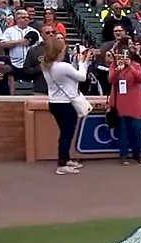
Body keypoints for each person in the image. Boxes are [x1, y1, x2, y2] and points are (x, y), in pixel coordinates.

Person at [42, 38, 91, 175]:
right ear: (58, 51)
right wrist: (82, 63)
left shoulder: (46, 65)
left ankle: (66, 159)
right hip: (65, 104)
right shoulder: (62, 66)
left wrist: (80, 62)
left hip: (54, 103)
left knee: (65, 133)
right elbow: (81, 77)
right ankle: (62, 164)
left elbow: (69, 77)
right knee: (67, 134)